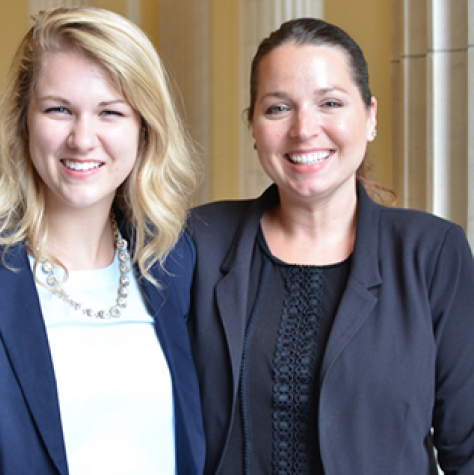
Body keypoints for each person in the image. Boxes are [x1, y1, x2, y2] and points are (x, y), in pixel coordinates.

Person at [0, 6, 205, 475]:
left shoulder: (172, 262)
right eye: (59, 110)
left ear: (145, 129)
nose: (82, 139)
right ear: (23, 121)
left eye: (110, 112)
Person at [188, 17, 474, 475]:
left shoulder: (432, 253)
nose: (304, 129)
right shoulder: (199, 240)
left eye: (331, 103)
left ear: (370, 116)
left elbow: (468, 449)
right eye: (278, 108)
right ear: (253, 127)